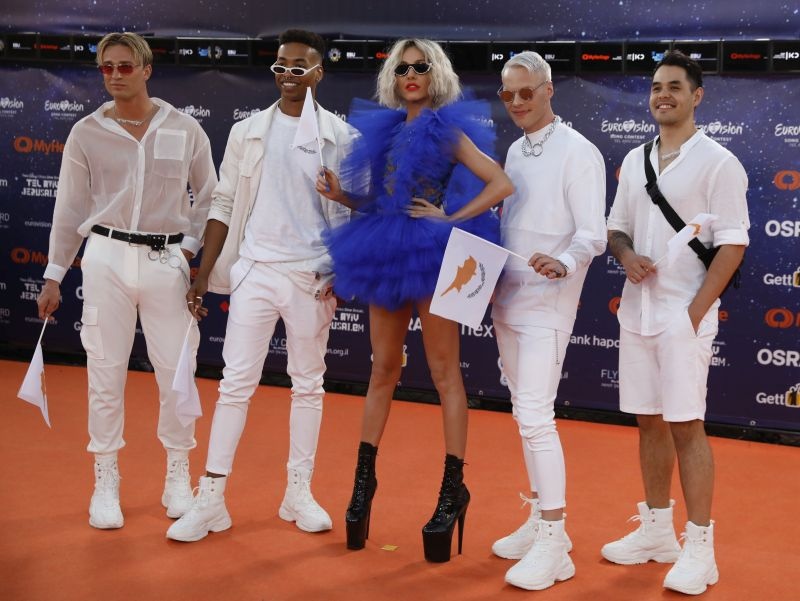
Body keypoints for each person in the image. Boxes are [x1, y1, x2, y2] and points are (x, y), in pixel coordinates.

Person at [316, 38, 513, 562]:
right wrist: (342, 197)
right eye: (402, 68)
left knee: (445, 372)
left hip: (431, 253)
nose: (411, 75)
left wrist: (451, 218)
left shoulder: (446, 129)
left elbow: (500, 183)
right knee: (382, 368)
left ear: (435, 74)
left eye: (421, 67)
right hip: (384, 248)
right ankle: (363, 485)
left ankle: (452, 491)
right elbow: (381, 201)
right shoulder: (384, 129)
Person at [166, 29, 353, 542]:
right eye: (280, 66)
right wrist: (204, 273)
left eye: (298, 67)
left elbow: (352, 212)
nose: (287, 75)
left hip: (312, 275)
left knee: (308, 384)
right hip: (254, 270)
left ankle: (298, 493)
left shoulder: (342, 138)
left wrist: (340, 270)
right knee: (234, 385)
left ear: (318, 73)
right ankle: (211, 498)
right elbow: (223, 203)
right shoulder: (248, 131)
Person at [36, 32, 217, 529]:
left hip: (167, 260)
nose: (115, 75)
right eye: (106, 67)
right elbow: (69, 207)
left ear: (146, 69)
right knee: (104, 371)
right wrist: (54, 275)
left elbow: (209, 195)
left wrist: (188, 250)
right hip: (105, 258)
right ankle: (105, 480)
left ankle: (178, 474)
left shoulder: (185, 127)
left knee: (177, 372)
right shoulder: (85, 132)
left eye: (124, 66)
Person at [603, 50, 749, 595]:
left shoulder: (719, 162)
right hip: (636, 311)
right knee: (649, 421)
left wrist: (695, 311)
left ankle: (700, 549)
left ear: (696, 95)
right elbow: (616, 228)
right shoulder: (635, 158)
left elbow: (733, 244)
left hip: (684, 316)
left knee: (687, 426)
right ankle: (657, 532)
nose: (662, 95)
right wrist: (625, 256)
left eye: (674, 87)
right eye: (656, 87)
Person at [488, 51, 607, 590]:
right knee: (524, 414)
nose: (516, 102)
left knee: (537, 416)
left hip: (548, 303)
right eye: (507, 94)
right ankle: (540, 519)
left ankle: (556, 542)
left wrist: (565, 261)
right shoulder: (515, 149)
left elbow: (593, 233)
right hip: (506, 299)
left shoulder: (578, 152)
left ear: (549, 89)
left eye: (526, 92)